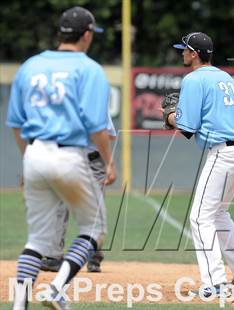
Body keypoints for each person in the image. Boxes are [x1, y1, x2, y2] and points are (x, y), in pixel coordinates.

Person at [6, 6, 116, 310]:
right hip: (69, 155)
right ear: (87, 34)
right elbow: (97, 126)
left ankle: (18, 306)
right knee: (94, 230)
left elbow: (15, 121)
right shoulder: (89, 69)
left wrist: (28, 158)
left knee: (37, 241)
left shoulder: (30, 65)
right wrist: (108, 161)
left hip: (35, 152)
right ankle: (56, 289)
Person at [163, 32, 234, 297]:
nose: (181, 53)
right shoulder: (223, 76)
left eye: (184, 50)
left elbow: (186, 127)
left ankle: (215, 284)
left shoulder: (194, 78)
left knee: (199, 217)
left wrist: (170, 115)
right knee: (217, 213)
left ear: (194, 53)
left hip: (224, 152)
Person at [40, 114, 116, 274]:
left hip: (93, 160)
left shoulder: (96, 102)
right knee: (59, 206)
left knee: (93, 210)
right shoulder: (63, 101)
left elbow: (110, 135)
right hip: (65, 159)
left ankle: (94, 256)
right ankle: (53, 257)